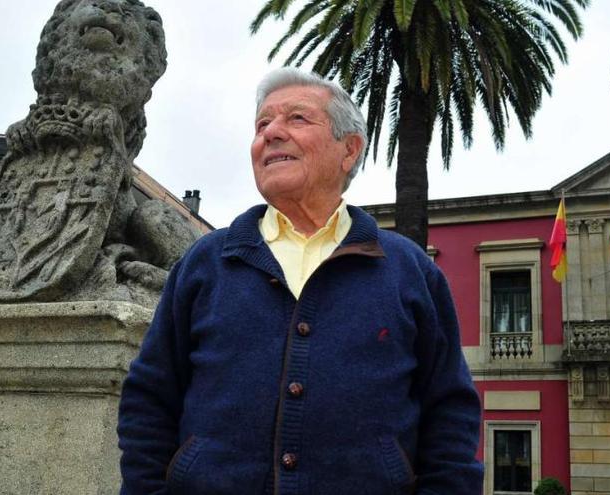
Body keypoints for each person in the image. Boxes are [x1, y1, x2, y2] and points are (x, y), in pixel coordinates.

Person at [117, 68, 482, 495]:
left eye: (296, 119)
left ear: (349, 150)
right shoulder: (206, 261)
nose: (271, 133)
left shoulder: (409, 270)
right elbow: (149, 398)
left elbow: (450, 414)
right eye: (262, 124)